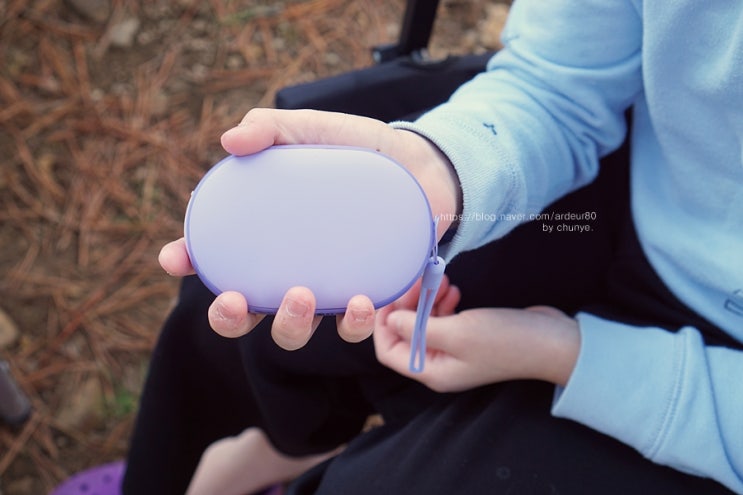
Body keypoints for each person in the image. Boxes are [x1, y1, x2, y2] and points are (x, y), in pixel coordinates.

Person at [122, 0, 743, 493]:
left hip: (717, 405)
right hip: (642, 183)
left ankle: (311, 452)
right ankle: (283, 446)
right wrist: (440, 168)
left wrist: (566, 354)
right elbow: (560, 82)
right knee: (234, 317)